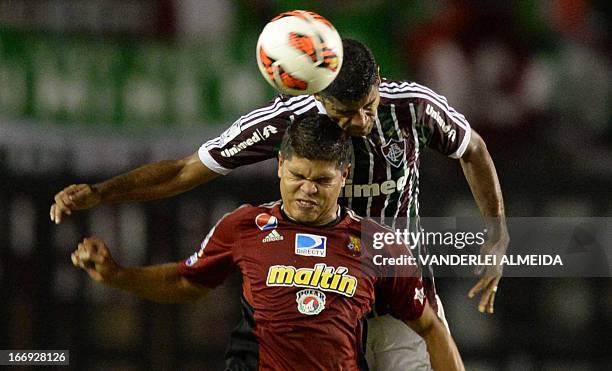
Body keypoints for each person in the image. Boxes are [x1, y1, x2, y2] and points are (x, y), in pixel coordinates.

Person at [52, 39, 507, 369]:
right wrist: (101, 192)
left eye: (368, 106)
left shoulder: (413, 108)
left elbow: (474, 150)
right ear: (316, 95)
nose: (361, 121)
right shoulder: (283, 123)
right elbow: (185, 170)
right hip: (317, 297)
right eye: (345, 112)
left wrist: (498, 231)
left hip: (394, 296)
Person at [70, 116, 465, 370]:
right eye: (297, 175)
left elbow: (430, 328)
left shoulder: (377, 245)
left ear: (344, 175)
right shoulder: (245, 226)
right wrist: (118, 275)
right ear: (279, 165)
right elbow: (186, 281)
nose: (307, 190)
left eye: (322, 180)